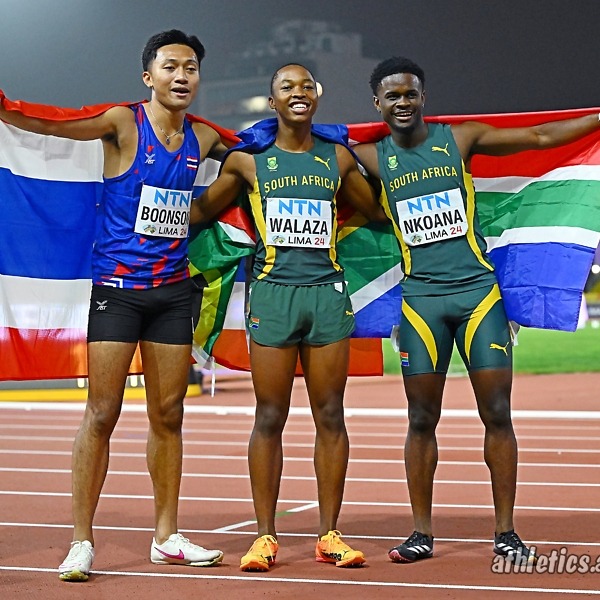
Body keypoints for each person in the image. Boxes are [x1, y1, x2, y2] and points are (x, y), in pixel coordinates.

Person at [0, 29, 231, 581]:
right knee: (102, 413)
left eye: (191, 67)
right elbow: (49, 122)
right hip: (118, 292)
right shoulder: (123, 123)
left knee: (168, 416)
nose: (182, 76)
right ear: (148, 77)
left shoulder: (204, 136)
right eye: (171, 66)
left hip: (174, 293)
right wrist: (4, 107)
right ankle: (81, 541)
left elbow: (265, 154)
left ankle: (166, 537)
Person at [353, 56, 600, 565]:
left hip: (478, 296)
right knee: (421, 417)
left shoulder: (458, 139)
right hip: (421, 301)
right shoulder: (370, 158)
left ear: (423, 97)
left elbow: (540, 139)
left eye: (410, 93)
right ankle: (421, 532)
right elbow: (307, 157)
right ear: (377, 104)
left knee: (497, 413)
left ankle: (506, 532)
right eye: (392, 96)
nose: (403, 102)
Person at [190, 63, 387, 571]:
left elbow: (376, 212)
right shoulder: (249, 164)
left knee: (330, 415)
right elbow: (197, 215)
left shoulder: (337, 158)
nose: (297, 93)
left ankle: (329, 534)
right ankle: (265, 536)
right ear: (272, 103)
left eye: (305, 87)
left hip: (325, 297)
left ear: (315, 99)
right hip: (274, 297)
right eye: (286, 87)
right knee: (270, 416)